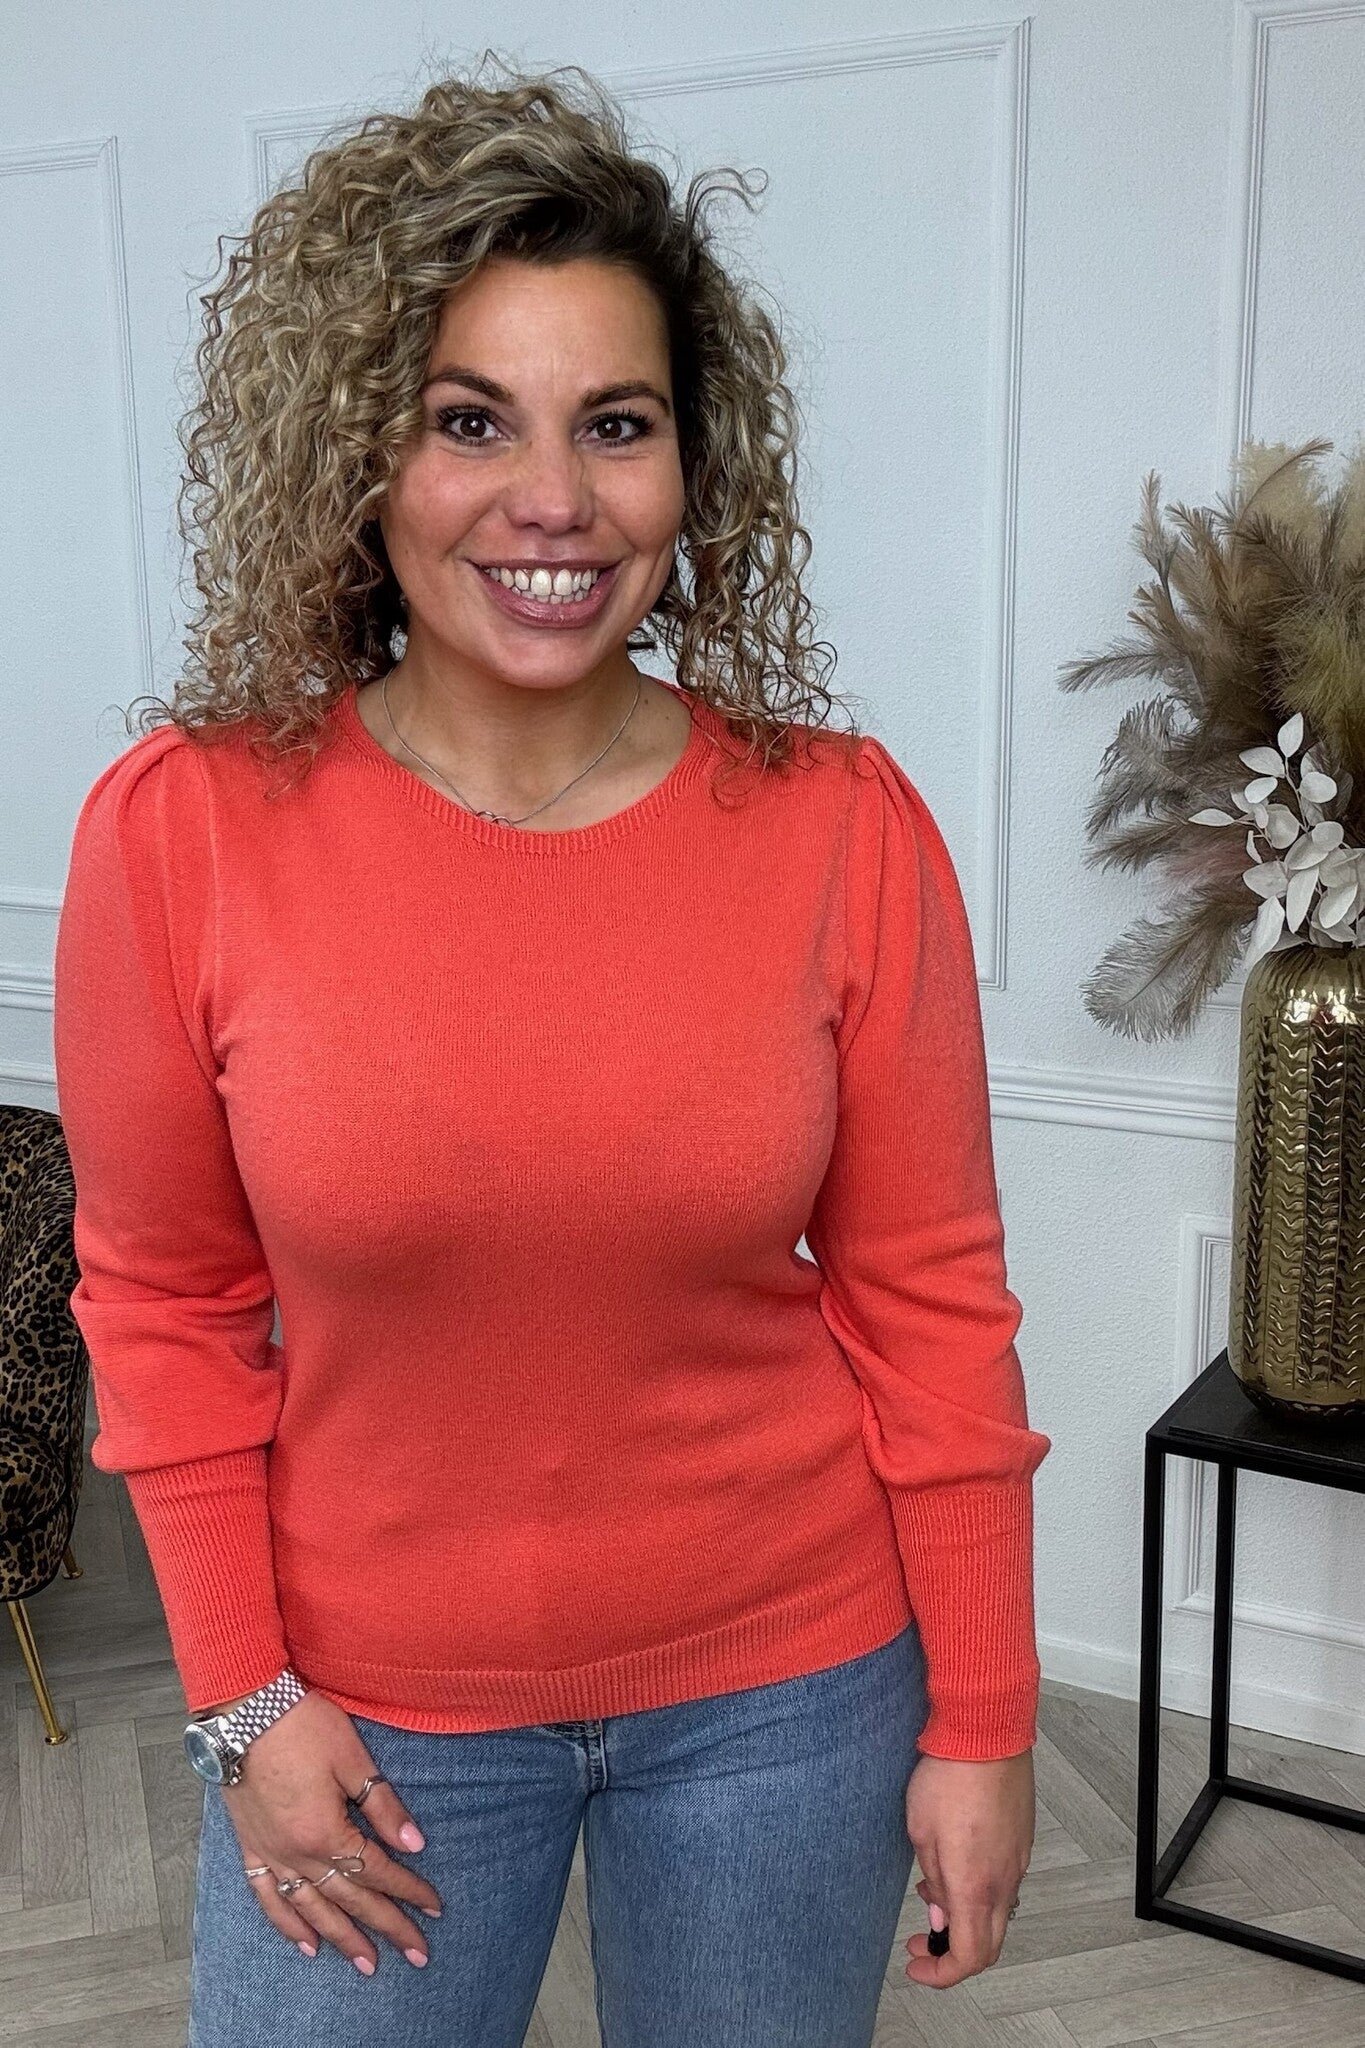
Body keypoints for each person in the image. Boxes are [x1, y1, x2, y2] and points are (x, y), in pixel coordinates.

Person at [51, 55, 1052, 2048]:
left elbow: (930, 1300)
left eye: (615, 423)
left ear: (692, 466)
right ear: (358, 459)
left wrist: (984, 1721)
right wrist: (243, 1700)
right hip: (368, 1712)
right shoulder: (184, 831)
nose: (553, 500)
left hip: (788, 1696)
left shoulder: (839, 826)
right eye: (466, 420)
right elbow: (161, 1301)